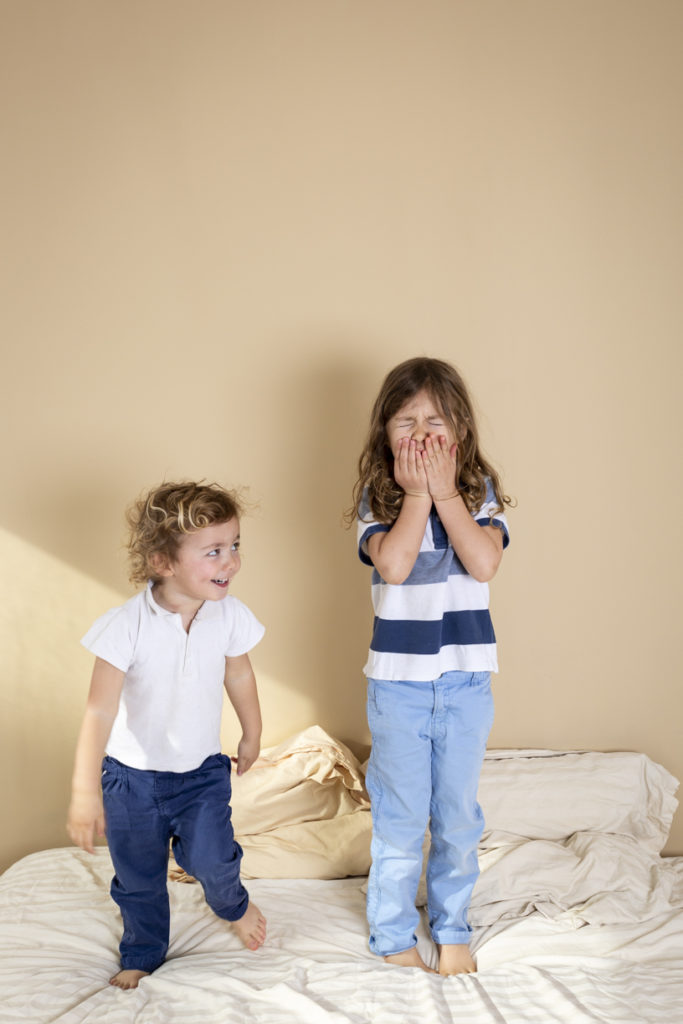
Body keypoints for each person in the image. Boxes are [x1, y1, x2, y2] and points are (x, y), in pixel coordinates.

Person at [67, 480, 267, 990]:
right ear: (163, 562)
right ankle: (143, 952)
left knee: (212, 862)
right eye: (214, 552)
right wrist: (84, 792)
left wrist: (252, 731)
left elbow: (239, 675)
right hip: (130, 782)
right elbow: (98, 710)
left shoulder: (228, 615)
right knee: (138, 880)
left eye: (235, 546)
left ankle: (234, 905)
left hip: (200, 775)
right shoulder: (125, 626)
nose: (231, 562)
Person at [348, 356, 511, 976]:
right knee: (400, 813)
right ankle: (391, 932)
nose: (420, 433)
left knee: (457, 814)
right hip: (398, 687)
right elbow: (392, 565)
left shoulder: (481, 495)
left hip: (466, 681)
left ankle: (452, 926)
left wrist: (445, 494)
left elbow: (485, 562)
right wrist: (417, 493)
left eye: (435, 421)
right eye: (405, 421)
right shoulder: (377, 498)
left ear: (460, 433)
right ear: (384, 435)